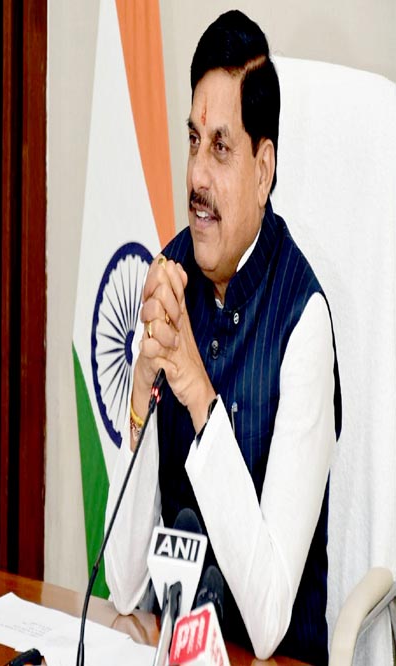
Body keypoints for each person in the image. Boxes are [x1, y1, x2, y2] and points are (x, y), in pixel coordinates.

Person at [103, 12, 340, 664]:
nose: (195, 177)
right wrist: (141, 387)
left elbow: (267, 622)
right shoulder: (170, 274)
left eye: (220, 148)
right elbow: (122, 583)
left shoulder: (303, 323)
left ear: (263, 170)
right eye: (191, 141)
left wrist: (196, 393)